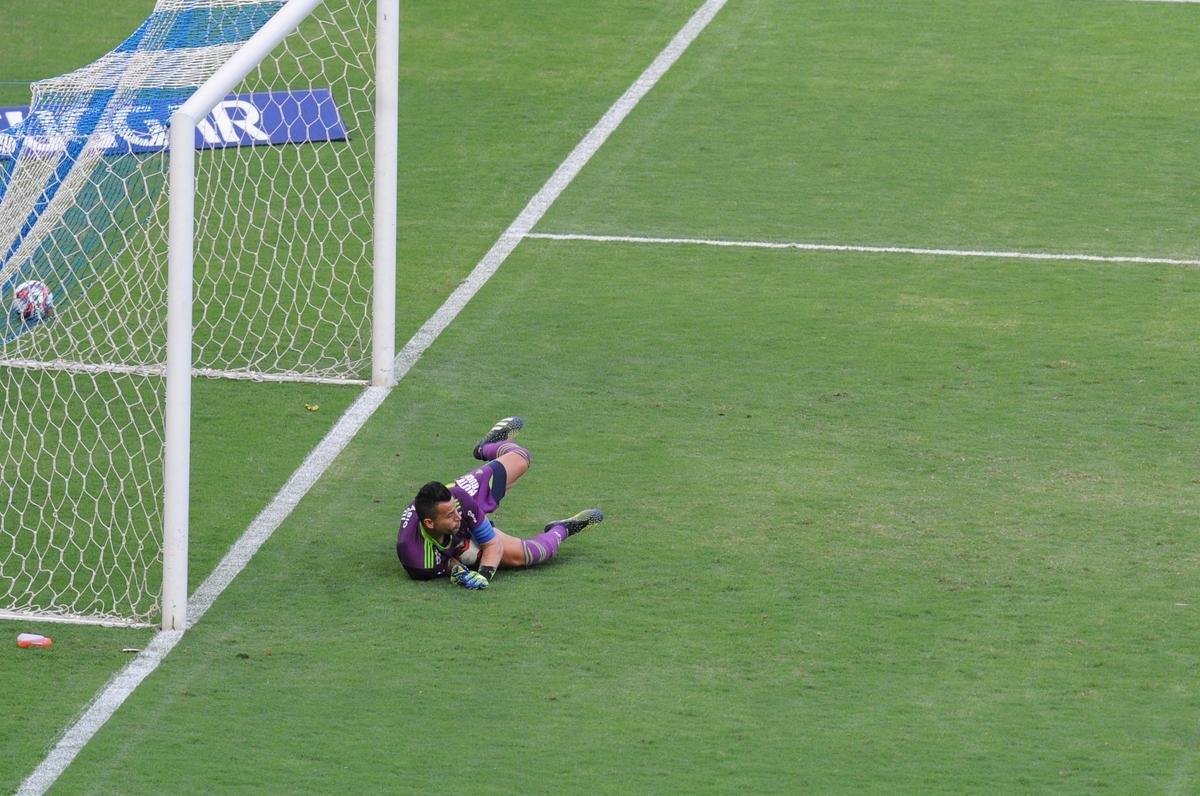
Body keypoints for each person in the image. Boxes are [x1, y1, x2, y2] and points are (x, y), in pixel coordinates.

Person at [395, 416, 604, 589]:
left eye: (454, 511)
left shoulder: (458, 500)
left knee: (521, 457)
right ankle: (562, 529)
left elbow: (491, 543)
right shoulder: (416, 559)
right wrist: (458, 567)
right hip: (458, 541)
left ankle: (487, 447)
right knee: (532, 554)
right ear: (430, 523)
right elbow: (445, 564)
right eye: (450, 515)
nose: (457, 516)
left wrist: (484, 575)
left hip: (463, 510)